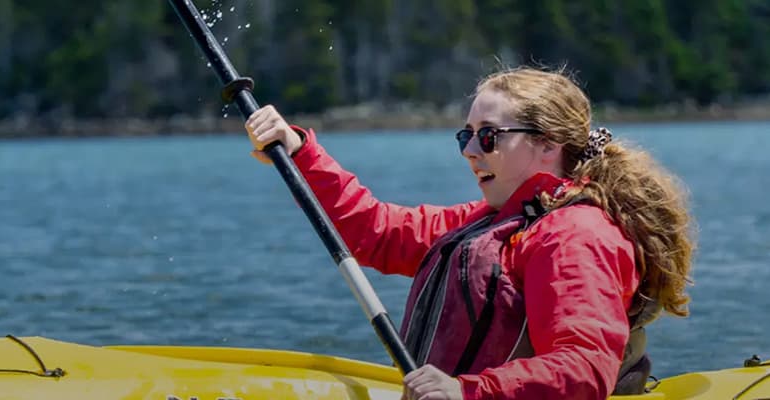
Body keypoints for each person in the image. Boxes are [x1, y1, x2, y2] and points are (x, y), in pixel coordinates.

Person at [245, 67, 695, 399]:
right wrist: (299, 152)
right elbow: (377, 232)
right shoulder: (490, 221)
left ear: (548, 144)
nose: (471, 151)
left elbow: (583, 369)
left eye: (489, 136)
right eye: (467, 136)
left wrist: (466, 391)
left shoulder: (575, 235)